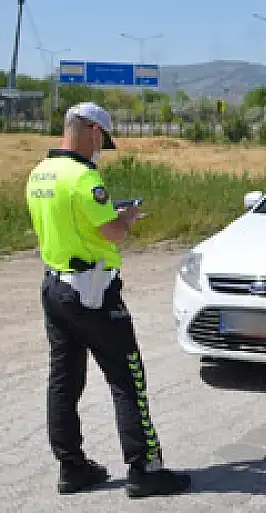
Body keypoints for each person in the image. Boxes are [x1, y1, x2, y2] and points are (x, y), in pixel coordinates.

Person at [24, 102, 192, 498]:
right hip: (93, 291)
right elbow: (113, 233)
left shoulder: (40, 173)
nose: (101, 148)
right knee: (126, 377)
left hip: (55, 287)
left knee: (64, 381)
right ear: (93, 132)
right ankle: (144, 469)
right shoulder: (85, 178)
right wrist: (127, 219)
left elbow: (72, 222)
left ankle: (72, 467)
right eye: (102, 139)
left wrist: (106, 219)